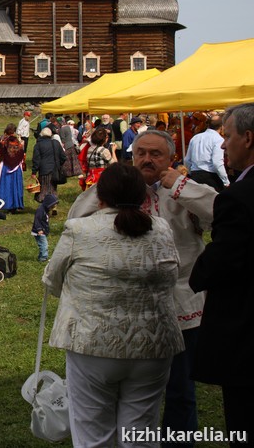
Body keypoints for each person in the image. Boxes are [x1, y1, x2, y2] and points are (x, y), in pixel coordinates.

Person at [69, 128, 217, 439]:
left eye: (155, 154)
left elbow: (222, 215)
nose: (146, 160)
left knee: (180, 391)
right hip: (125, 310)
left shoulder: (183, 189)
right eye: (141, 153)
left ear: (171, 158)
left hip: (181, 305)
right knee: (128, 395)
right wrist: (110, 187)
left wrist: (179, 185)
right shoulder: (119, 190)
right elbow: (75, 222)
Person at [43, 163, 183, 448]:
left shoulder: (80, 229)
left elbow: (52, 279)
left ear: (100, 197)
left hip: (92, 342)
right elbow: (172, 275)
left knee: (93, 433)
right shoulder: (161, 229)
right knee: (140, 434)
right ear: (144, 197)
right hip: (153, 343)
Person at [190, 103, 254, 443]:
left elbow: (220, 261)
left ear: (248, 138)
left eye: (227, 137)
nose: (223, 145)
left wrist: (197, 274)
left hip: (245, 331)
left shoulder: (238, 197)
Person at [184, 115, 229, 192]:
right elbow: (217, 162)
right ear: (222, 126)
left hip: (195, 175)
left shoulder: (196, 137)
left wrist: (190, 173)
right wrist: (225, 180)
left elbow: (187, 160)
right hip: (210, 177)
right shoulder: (218, 139)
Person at [0, 124, 25, 214]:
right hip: (16, 168)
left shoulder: (3, 141)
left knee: (6, 185)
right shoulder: (18, 142)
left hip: (6, 166)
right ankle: (15, 205)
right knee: (15, 185)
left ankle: (6, 205)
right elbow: (21, 152)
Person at [31, 128, 66, 204]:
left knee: (44, 190)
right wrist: (58, 165)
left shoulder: (38, 145)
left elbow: (36, 160)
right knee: (53, 188)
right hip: (55, 170)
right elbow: (63, 157)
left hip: (44, 171)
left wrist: (34, 172)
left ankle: (47, 206)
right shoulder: (56, 143)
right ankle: (54, 204)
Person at [31, 193, 58, 262]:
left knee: (43, 244)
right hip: (39, 232)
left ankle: (41, 257)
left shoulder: (45, 210)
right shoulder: (40, 210)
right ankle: (43, 258)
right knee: (44, 245)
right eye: (51, 206)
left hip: (43, 231)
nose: (52, 208)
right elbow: (37, 220)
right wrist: (39, 229)